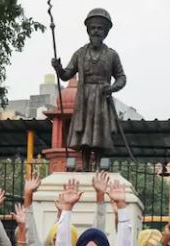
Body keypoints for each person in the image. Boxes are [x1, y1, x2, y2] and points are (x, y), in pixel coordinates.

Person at [51, 8, 127, 171]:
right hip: (84, 97)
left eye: (100, 28)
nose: (96, 31)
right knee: (84, 132)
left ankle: (99, 165)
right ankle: (85, 166)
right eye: (93, 28)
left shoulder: (112, 55)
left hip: (101, 97)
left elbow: (122, 77)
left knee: (99, 132)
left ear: (105, 31)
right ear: (88, 30)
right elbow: (66, 75)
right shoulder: (80, 53)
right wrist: (58, 68)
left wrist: (111, 88)